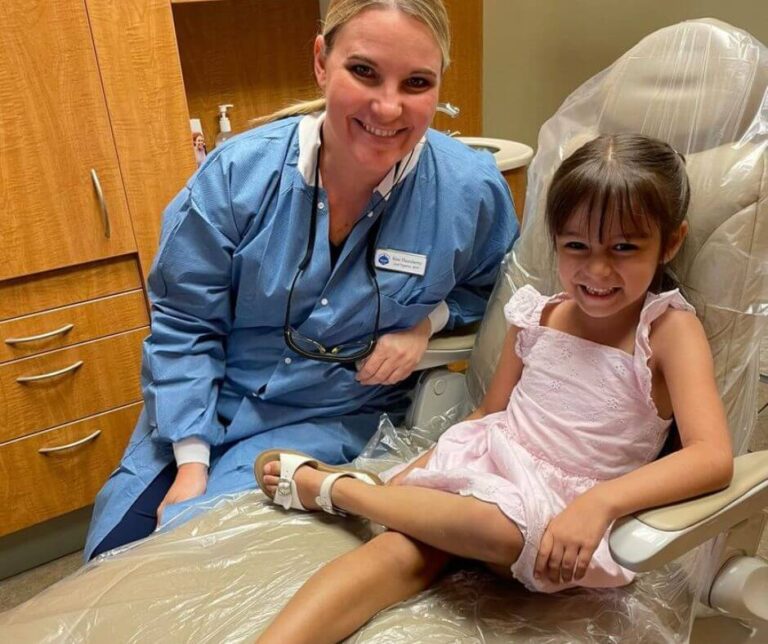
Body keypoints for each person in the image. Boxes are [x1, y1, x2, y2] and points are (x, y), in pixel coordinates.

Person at [254, 133, 734, 643]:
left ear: (671, 241)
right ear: (554, 239)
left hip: (563, 514)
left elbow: (711, 456)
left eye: (624, 248)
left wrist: (600, 506)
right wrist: (418, 475)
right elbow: (488, 414)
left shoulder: (666, 329)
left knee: (507, 527)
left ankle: (345, 492)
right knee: (397, 552)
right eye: (576, 246)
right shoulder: (538, 315)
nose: (597, 270)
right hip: (490, 469)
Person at [84, 0, 517, 561]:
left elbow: (495, 290)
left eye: (416, 82)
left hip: (330, 416)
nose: (388, 107)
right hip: (204, 406)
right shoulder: (237, 176)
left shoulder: (469, 191)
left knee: (197, 562)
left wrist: (423, 326)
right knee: (114, 555)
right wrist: (191, 465)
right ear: (321, 61)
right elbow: (185, 324)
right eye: (363, 71)